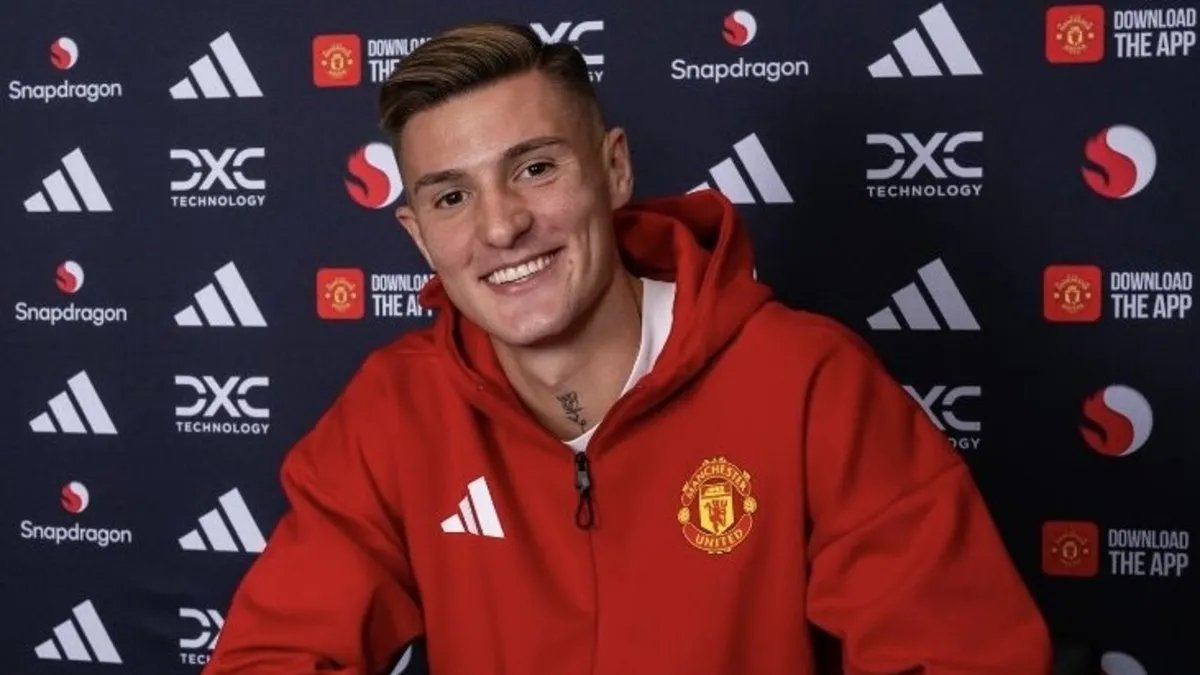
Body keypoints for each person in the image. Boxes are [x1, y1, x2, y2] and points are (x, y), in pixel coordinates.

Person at [204, 22, 1053, 674]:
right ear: (419, 235)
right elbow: (269, 656)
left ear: (613, 170)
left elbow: (963, 653)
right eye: (452, 196)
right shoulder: (394, 411)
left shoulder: (806, 381)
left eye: (535, 168)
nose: (501, 226)